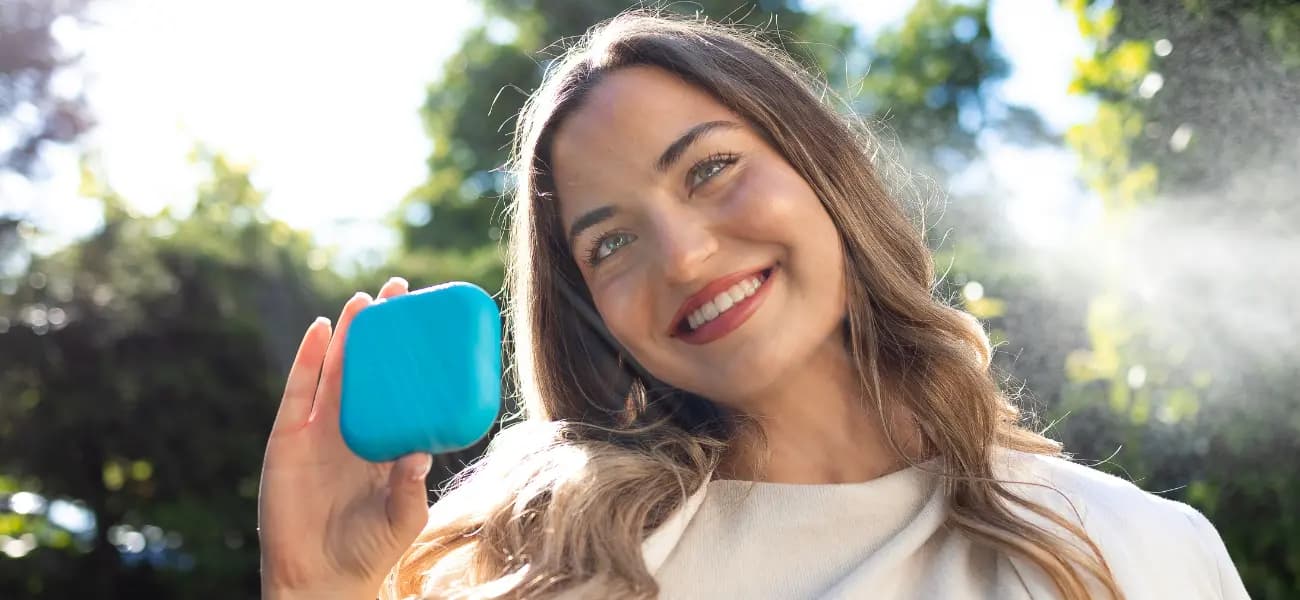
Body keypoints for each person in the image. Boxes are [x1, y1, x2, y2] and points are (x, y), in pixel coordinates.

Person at [257, 11, 1250, 600]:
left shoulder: (1137, 550)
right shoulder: (540, 574)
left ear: (823, 170)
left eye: (711, 170)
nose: (684, 255)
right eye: (610, 241)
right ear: (593, 313)